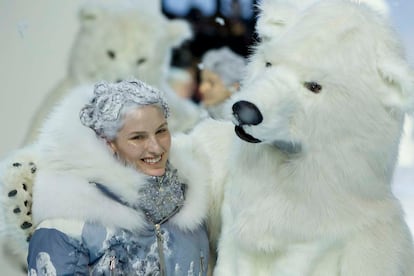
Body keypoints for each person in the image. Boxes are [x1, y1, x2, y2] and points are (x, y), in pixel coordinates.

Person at [24, 79, 210, 275]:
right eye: (138, 137)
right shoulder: (68, 223)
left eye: (161, 131)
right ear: (109, 142)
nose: (156, 148)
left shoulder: (190, 208)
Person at [198, 47, 246, 119]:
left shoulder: (240, 122)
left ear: (235, 87)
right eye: (202, 81)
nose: (202, 89)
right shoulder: (202, 111)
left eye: (211, 83)